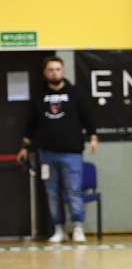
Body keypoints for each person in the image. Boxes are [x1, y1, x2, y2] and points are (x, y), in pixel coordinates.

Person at [17, 57, 97, 244]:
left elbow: (87, 116)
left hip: (71, 152)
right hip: (47, 154)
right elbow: (31, 124)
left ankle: (77, 227)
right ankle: (59, 229)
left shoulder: (75, 93)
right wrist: (24, 147)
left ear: (63, 71)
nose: (55, 73)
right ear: (45, 73)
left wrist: (93, 137)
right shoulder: (39, 96)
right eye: (51, 70)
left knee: (74, 190)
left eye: (58, 69)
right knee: (52, 193)